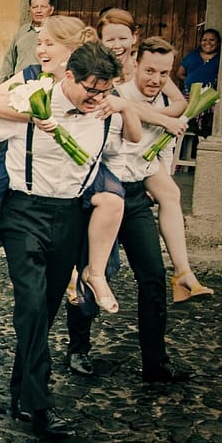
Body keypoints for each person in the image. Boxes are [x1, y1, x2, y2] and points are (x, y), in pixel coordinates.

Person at [0, 41, 140, 440]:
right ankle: (41, 407)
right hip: (24, 214)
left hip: (70, 216)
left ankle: (19, 394)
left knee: (44, 310)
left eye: (105, 91)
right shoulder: (30, 103)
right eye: (91, 90)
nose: (97, 98)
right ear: (70, 77)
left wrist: (121, 109)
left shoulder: (106, 115)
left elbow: (120, 149)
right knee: (30, 306)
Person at [0, 16, 119, 303]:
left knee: (114, 198)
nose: (40, 50)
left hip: (78, 174)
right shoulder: (33, 76)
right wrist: (35, 114)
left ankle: (92, 274)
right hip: (32, 169)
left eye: (48, 43)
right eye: (39, 43)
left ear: (73, 50)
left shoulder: (97, 80)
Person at [65, 37, 193, 387]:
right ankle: (79, 349)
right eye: (149, 70)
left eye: (163, 73)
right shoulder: (109, 93)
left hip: (135, 197)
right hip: (102, 195)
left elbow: (173, 113)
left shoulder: (164, 99)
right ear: (134, 63)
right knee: (91, 271)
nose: (155, 78)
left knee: (152, 276)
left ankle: (156, 361)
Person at [95, 10, 213, 305]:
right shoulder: (100, 71)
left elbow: (178, 105)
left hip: (142, 159)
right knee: (102, 261)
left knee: (171, 193)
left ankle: (183, 271)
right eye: (110, 39)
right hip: (110, 166)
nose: (117, 44)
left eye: (123, 37)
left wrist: (147, 115)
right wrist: (151, 117)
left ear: (134, 39)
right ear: (99, 40)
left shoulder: (151, 67)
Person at [0, 0, 54, 82]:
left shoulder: (57, 32)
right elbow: (9, 59)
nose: (38, 11)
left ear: (51, 10)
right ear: (29, 10)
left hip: (44, 85)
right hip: (19, 84)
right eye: (34, 7)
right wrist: (2, 83)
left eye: (43, 7)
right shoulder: (22, 31)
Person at [176, 28, 220, 138]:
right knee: (187, 117)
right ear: (200, 42)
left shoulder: (220, 57)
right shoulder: (193, 55)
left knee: (207, 120)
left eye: (212, 40)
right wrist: (189, 82)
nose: (208, 43)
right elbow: (180, 73)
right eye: (204, 40)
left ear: (218, 42)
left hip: (209, 95)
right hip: (189, 93)